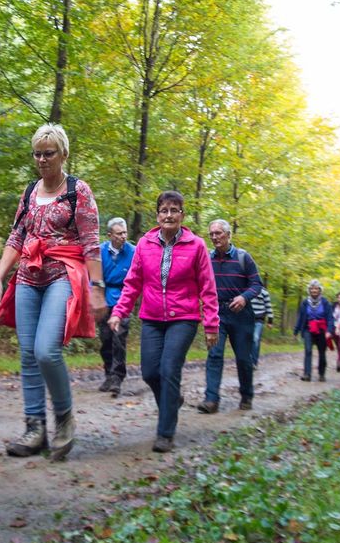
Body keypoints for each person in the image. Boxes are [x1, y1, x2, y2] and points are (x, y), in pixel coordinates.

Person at [0, 123, 104, 461]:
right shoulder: (29, 192)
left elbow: (92, 244)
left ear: (63, 154)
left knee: (46, 351)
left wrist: (97, 288)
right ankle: (34, 427)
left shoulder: (78, 191)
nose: (41, 159)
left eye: (48, 153)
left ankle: (64, 418)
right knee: (26, 354)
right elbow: (16, 238)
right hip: (27, 277)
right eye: (37, 153)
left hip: (61, 274)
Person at [109, 191, 218, 452]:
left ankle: (165, 433)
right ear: (157, 215)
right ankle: (173, 399)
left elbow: (208, 287)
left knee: (169, 370)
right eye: (164, 210)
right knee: (150, 372)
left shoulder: (197, 245)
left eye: (174, 210)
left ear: (182, 215)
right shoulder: (145, 244)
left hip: (184, 318)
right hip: (152, 317)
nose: (169, 215)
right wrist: (119, 311)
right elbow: (133, 282)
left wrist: (211, 324)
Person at [196, 219, 263, 413]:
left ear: (228, 234)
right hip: (217, 313)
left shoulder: (243, 257)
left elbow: (256, 284)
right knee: (214, 354)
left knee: (243, 358)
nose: (215, 237)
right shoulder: (206, 258)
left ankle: (246, 396)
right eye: (212, 234)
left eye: (218, 233)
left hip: (242, 315)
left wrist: (244, 297)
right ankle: (211, 400)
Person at [97, 217, 135, 395]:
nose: (124, 236)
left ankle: (117, 378)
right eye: (119, 233)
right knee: (105, 339)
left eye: (125, 232)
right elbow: (93, 278)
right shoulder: (99, 251)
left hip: (124, 299)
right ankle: (108, 374)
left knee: (119, 338)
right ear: (110, 234)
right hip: (104, 299)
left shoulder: (133, 252)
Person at [293, 280, 334, 382]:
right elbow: (301, 317)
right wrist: (296, 331)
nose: (314, 290)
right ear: (309, 290)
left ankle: (321, 374)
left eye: (316, 288)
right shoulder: (305, 302)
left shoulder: (325, 302)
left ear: (320, 290)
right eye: (312, 288)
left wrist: (329, 330)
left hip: (321, 329)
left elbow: (330, 317)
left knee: (322, 352)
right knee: (308, 350)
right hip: (308, 328)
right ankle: (307, 374)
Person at [249, 285, 273, 369]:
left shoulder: (264, 292)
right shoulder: (247, 290)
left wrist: (270, 321)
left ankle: (253, 363)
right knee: (247, 340)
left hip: (258, 320)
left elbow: (268, 307)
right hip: (247, 319)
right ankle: (247, 361)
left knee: (255, 339)